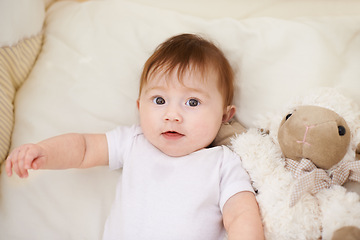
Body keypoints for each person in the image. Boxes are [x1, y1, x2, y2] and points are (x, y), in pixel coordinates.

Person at [6, 33, 264, 240]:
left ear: (224, 116)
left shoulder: (222, 162)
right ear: (140, 107)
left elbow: (241, 214)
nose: (172, 115)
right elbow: (83, 147)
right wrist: (44, 151)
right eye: (160, 100)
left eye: (193, 102)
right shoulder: (133, 142)